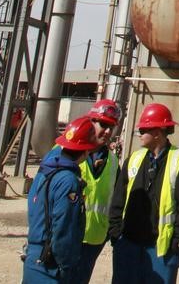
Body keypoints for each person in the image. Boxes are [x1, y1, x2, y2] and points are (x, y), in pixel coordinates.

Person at [108, 103, 179, 284]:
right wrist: (116, 233)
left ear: (158, 132)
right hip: (129, 244)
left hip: (162, 249)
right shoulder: (134, 159)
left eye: (143, 130)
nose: (140, 134)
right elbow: (118, 199)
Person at [23, 116, 99, 283]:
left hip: (34, 255)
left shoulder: (45, 171)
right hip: (50, 265)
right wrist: (66, 265)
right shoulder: (68, 180)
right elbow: (64, 227)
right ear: (86, 150)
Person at [74, 99, 121, 283]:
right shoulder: (65, 151)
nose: (108, 131)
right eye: (104, 125)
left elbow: (116, 200)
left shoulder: (113, 162)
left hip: (95, 239)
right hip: (67, 237)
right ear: (90, 122)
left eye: (112, 127)